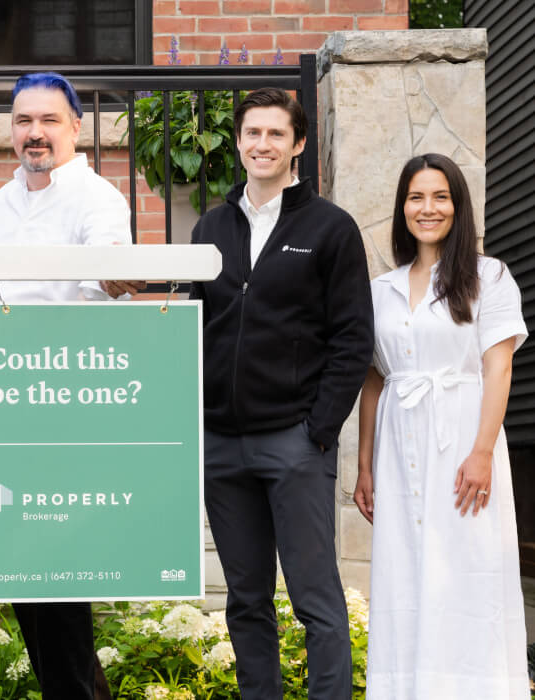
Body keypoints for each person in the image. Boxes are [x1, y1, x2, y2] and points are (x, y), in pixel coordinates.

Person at [188, 87, 373, 699]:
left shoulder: (330, 228)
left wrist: (318, 430)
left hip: (295, 443)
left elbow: (353, 338)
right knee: (245, 600)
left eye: (275, 134)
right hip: (222, 445)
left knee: (315, 598)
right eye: (252, 133)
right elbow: (192, 326)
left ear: (298, 144)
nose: (262, 144)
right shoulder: (211, 228)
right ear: (238, 142)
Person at [0, 72, 139, 700]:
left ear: (75, 126)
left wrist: (112, 275)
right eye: (24, 121)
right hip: (8, 406)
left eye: (48, 120)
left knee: (61, 577)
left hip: (66, 408)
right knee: (22, 575)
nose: (35, 133)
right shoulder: (2, 200)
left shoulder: (98, 198)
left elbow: (107, 273)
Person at [355, 153, 529, 699]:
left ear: (458, 206)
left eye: (440, 197)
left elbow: (498, 367)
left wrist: (481, 452)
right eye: (416, 198)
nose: (427, 209)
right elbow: (374, 380)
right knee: (405, 573)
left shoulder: (487, 277)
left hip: (461, 444)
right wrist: (364, 465)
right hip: (397, 448)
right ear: (402, 207)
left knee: (466, 569)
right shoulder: (381, 289)